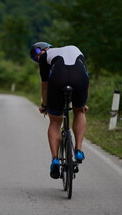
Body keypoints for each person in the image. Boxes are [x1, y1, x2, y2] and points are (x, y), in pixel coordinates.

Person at [29, 42, 90, 179]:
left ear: (42, 51)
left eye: (37, 57)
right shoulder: (75, 48)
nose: (38, 59)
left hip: (58, 79)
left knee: (55, 122)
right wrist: (82, 104)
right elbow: (86, 78)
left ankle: (55, 159)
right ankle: (79, 150)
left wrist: (45, 106)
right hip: (79, 78)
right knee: (79, 111)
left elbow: (45, 86)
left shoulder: (45, 58)